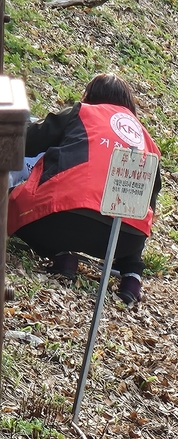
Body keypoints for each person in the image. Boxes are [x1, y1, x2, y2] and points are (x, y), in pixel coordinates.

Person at [8, 73, 162, 305]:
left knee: (11, 204)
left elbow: (26, 141)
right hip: (123, 241)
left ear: (90, 95)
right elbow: (149, 204)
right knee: (133, 209)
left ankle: (61, 255)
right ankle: (132, 277)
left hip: (62, 219)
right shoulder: (147, 140)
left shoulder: (82, 112)